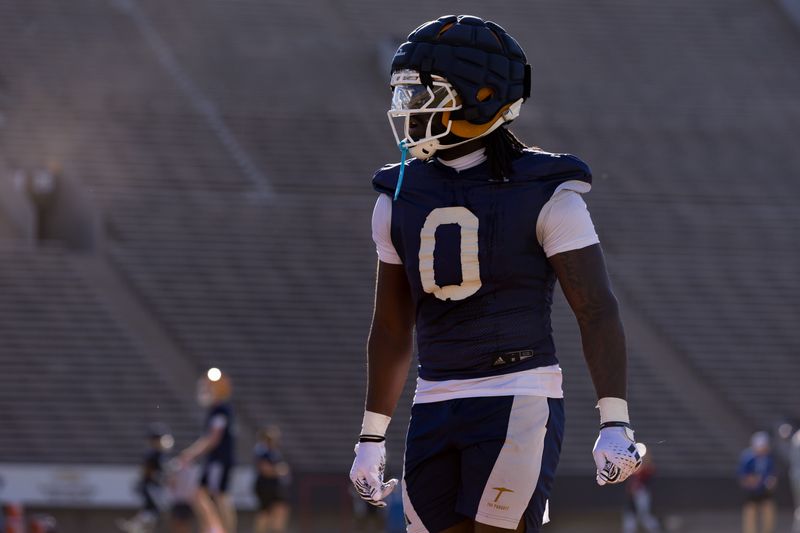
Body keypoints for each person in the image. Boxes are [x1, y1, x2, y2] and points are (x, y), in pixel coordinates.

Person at [349, 14, 646, 533]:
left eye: (425, 95)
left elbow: (596, 308)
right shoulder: (397, 195)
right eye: (406, 96)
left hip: (517, 393)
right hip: (434, 396)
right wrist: (371, 436)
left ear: (479, 96)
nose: (409, 110)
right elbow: (393, 327)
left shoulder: (548, 190)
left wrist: (614, 418)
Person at [179, 368, 237, 533]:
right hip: (213, 459)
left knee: (220, 495)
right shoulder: (215, 410)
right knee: (199, 494)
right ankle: (212, 528)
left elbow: (213, 438)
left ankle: (225, 529)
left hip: (220, 459)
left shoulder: (221, 410)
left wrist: (191, 453)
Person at [117, 423, 172, 533]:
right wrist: (158, 478)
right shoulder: (152, 454)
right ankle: (135, 526)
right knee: (152, 510)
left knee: (154, 512)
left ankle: (137, 526)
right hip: (150, 486)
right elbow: (147, 472)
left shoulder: (161, 454)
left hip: (156, 487)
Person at [253, 426, 291, 533]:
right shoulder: (262, 450)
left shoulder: (275, 452)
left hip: (276, 487)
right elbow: (264, 468)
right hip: (266, 486)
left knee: (280, 510)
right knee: (264, 513)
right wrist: (278, 470)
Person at [738, 431, 777, 533]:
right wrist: (753, 481)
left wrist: (771, 482)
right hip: (751, 492)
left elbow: (771, 474)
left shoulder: (768, 459)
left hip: (764, 492)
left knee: (768, 511)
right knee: (750, 514)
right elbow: (743, 476)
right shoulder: (748, 458)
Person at [622, 453, 660, 533]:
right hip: (634, 496)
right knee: (630, 515)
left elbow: (649, 470)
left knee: (643, 516)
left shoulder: (647, 469)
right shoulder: (634, 469)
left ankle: (656, 529)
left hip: (642, 494)